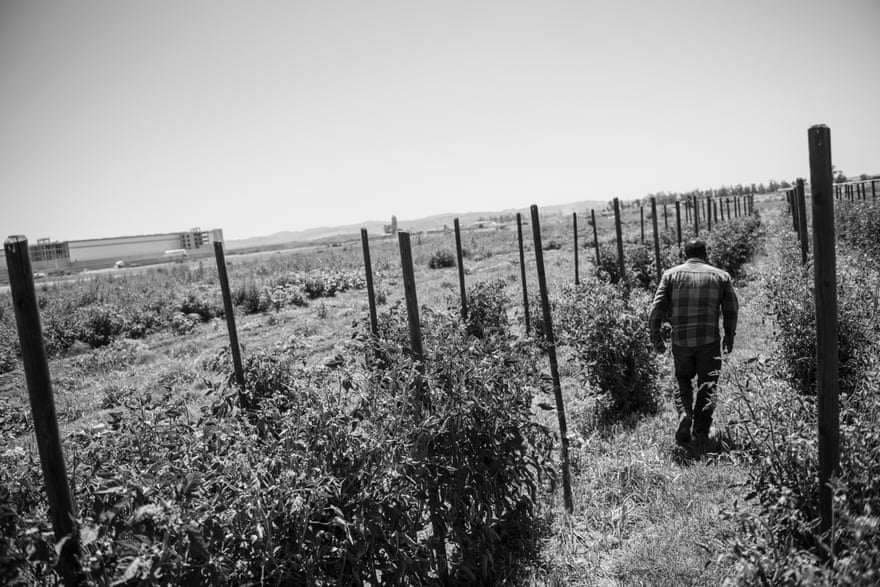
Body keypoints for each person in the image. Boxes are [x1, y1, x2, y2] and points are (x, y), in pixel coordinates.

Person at [649, 238, 738, 445]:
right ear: (706, 254)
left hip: (681, 341)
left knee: (682, 379)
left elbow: (656, 308)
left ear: (684, 255)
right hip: (709, 340)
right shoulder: (720, 276)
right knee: (709, 384)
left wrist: (656, 336)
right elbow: (731, 308)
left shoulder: (670, 275)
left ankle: (684, 414)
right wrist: (729, 336)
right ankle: (701, 430)